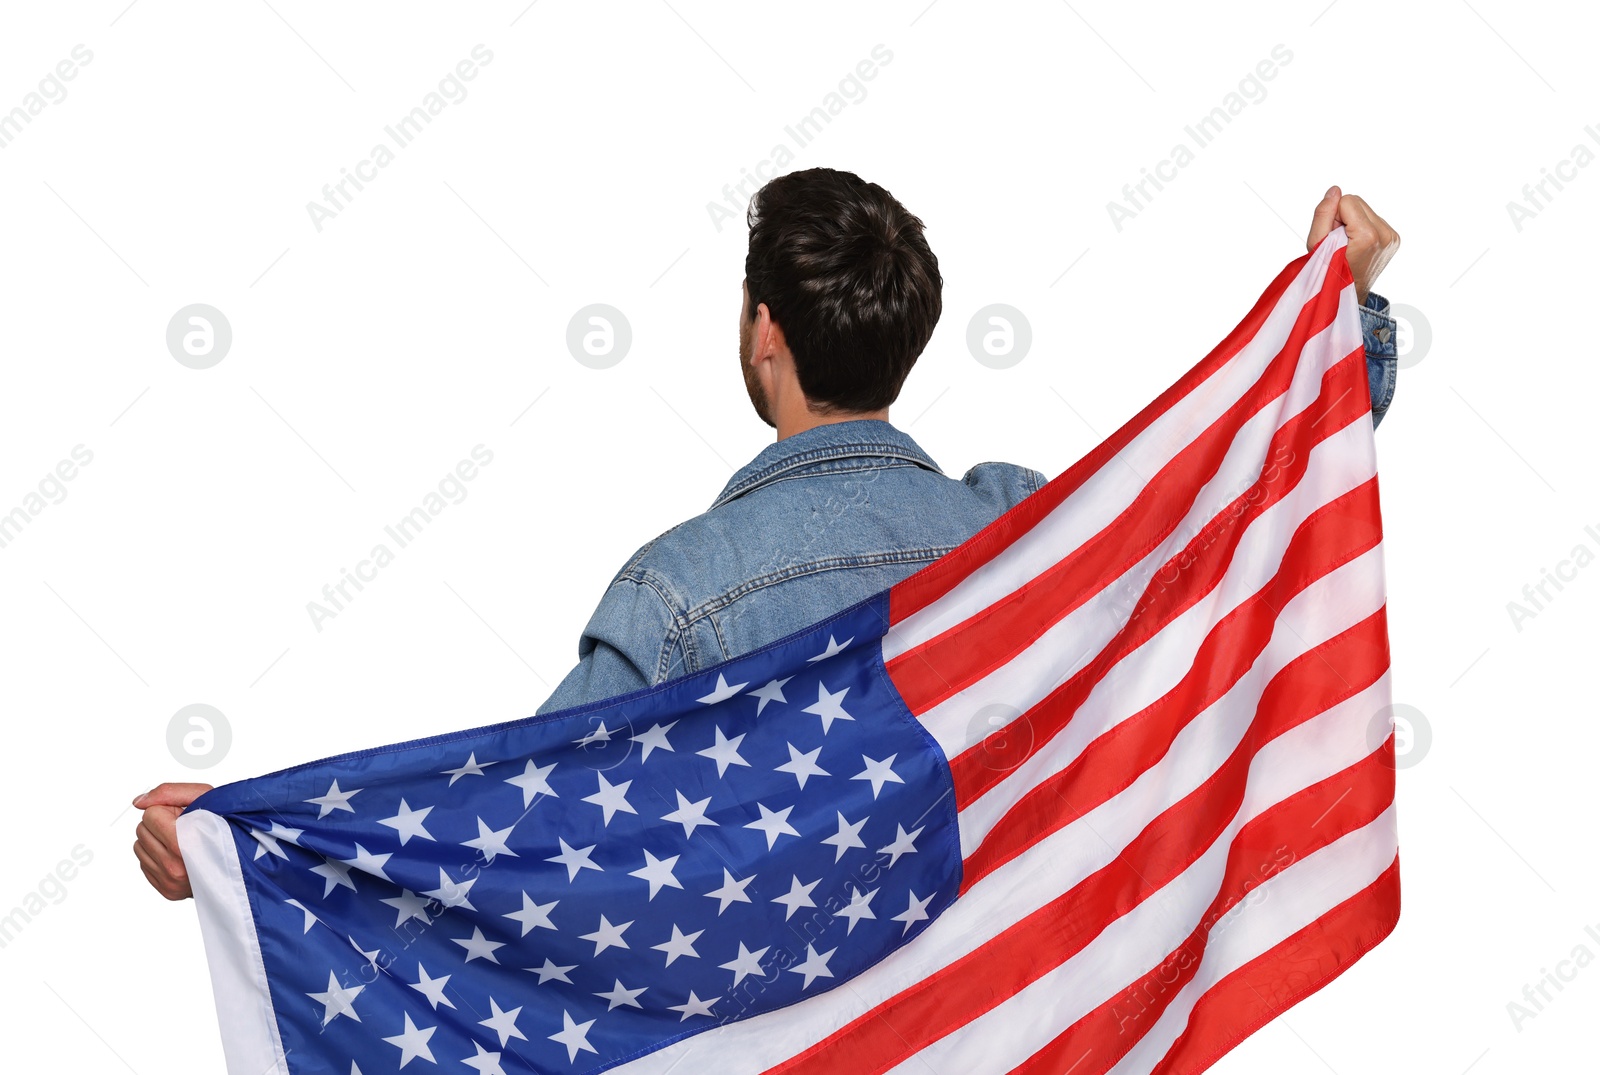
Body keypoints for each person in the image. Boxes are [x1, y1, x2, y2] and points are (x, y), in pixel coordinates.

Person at [132, 169, 1401, 900]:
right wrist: (1343, 314)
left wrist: (251, 854)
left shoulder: (680, 592)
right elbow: (1238, 512)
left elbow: (518, 844)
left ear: (761, 333)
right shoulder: (1023, 537)